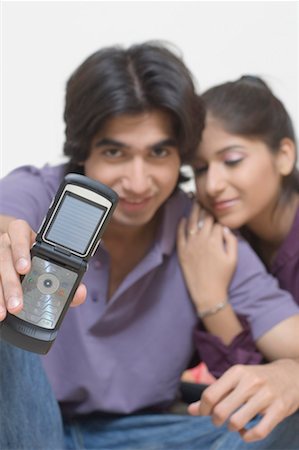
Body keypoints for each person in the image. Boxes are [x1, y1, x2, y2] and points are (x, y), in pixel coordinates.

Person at [1, 44, 299, 450]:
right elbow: (7, 221)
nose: (138, 182)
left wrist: (291, 377)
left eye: (158, 153)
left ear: (181, 157)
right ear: (83, 152)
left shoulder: (200, 233)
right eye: (114, 152)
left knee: (287, 414)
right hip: (25, 422)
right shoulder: (37, 192)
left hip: (144, 434)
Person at [178, 75, 299, 443]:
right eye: (199, 169)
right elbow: (254, 390)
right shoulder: (215, 240)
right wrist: (210, 297)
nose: (212, 184)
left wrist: (212, 298)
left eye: (231, 160)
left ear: (284, 156)